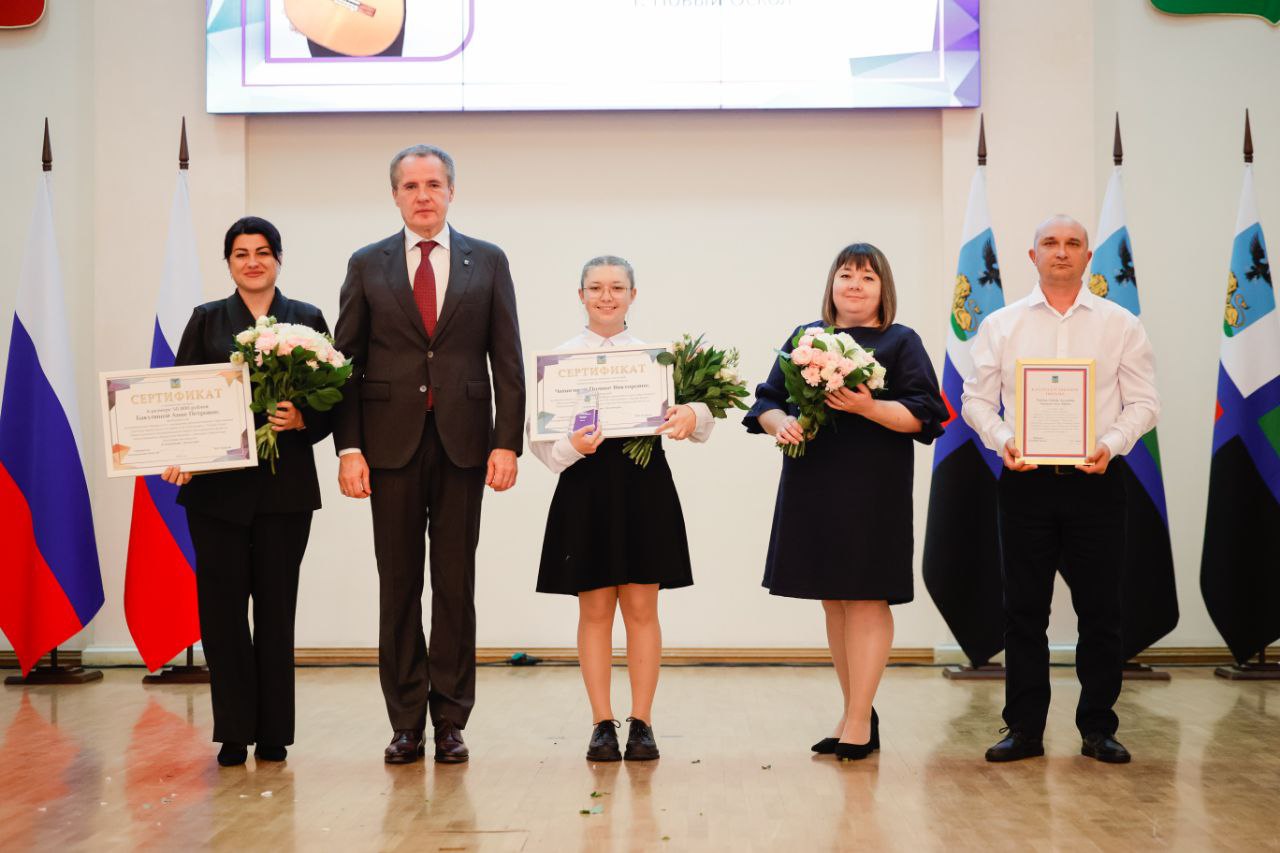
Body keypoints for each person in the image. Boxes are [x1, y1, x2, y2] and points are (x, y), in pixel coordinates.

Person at [333, 144, 525, 765]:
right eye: (410, 185)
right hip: (387, 450)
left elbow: (508, 361)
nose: (422, 194)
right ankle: (405, 720)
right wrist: (349, 447)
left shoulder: (487, 261)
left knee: (454, 585)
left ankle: (450, 719)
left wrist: (506, 442)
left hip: (466, 446)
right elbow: (346, 365)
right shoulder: (368, 264)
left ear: (451, 192)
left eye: (433, 184)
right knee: (398, 587)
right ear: (394, 195)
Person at [961, 215, 1159, 765]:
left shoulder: (1120, 324)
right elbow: (975, 399)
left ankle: (1098, 727)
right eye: (1051, 243)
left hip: (1097, 481)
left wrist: (1113, 443)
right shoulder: (1002, 325)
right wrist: (1002, 438)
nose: (1062, 252)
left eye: (1073, 243)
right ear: (1033, 256)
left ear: (1088, 256)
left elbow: (1145, 402)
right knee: (1024, 611)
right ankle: (1024, 729)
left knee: (1101, 611)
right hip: (1024, 483)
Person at [744, 243, 945, 761]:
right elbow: (766, 401)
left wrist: (866, 405)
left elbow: (925, 415)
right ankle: (856, 708)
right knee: (833, 598)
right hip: (813, 483)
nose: (855, 285)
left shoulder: (901, 342)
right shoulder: (806, 337)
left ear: (884, 290)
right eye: (847, 275)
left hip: (872, 489)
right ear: (832, 283)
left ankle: (858, 719)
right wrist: (779, 422)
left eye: (868, 277)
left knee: (866, 597)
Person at [161, 216, 334, 767]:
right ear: (229, 263)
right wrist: (178, 456)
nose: (252, 261)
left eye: (262, 252)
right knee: (223, 612)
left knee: (277, 611)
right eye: (241, 253)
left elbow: (336, 401)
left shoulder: (306, 319)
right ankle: (234, 730)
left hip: (285, 493)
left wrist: (301, 418)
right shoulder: (206, 319)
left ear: (279, 258)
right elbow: (178, 394)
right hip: (217, 494)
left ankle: (274, 731)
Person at [530, 256, 715, 763]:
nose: (606, 296)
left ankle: (642, 723)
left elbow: (704, 419)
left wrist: (690, 414)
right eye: (595, 287)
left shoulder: (659, 359)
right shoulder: (560, 361)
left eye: (616, 287)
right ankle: (600, 724)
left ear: (634, 294)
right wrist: (573, 447)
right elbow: (541, 445)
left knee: (642, 609)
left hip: (644, 489)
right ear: (580, 295)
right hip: (585, 489)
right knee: (593, 612)